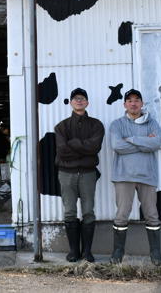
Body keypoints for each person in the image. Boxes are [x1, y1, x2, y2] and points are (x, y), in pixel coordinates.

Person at [108, 89, 161, 265]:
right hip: (123, 176)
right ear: (124, 104)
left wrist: (131, 139)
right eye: (130, 100)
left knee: (152, 214)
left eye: (137, 100)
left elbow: (156, 143)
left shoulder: (152, 123)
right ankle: (118, 252)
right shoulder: (117, 125)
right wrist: (144, 140)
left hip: (147, 175)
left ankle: (156, 254)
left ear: (142, 103)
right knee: (122, 214)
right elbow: (117, 146)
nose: (133, 103)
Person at [54, 88, 105, 262]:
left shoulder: (96, 125)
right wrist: (84, 149)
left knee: (88, 211)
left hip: (88, 174)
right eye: (75, 98)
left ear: (87, 102)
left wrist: (74, 144)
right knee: (69, 212)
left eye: (82, 98)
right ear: (70, 102)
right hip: (66, 174)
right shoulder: (61, 127)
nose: (79, 100)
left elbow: (95, 147)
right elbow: (62, 151)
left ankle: (87, 252)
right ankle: (74, 251)